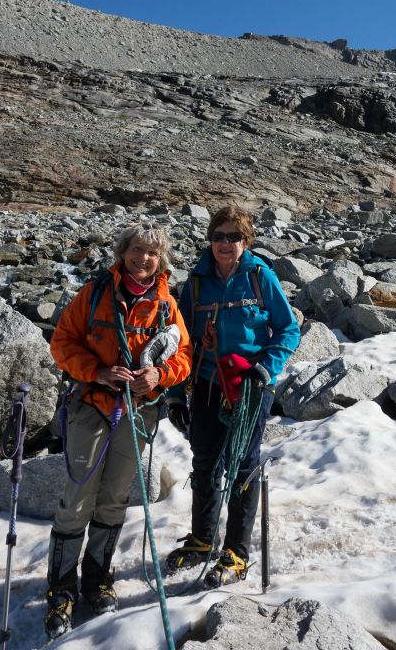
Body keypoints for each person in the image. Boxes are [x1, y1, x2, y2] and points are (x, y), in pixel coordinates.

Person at [44, 222, 192, 639]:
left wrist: (159, 375)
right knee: (77, 500)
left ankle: (97, 580)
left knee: (113, 501)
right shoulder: (93, 295)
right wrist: (98, 371)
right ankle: (60, 589)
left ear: (160, 259)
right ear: (122, 252)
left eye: (151, 253)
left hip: (137, 411)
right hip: (92, 406)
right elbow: (62, 343)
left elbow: (182, 354)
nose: (143, 259)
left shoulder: (166, 305)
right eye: (136, 250)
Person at [166, 205, 300, 588]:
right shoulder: (195, 283)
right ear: (210, 239)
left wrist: (265, 367)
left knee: (243, 464)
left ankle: (237, 551)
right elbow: (182, 343)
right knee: (205, 461)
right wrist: (176, 396)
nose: (225, 244)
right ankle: (202, 539)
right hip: (208, 383)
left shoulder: (260, 276)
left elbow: (287, 330)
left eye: (233, 237)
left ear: (246, 241)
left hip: (251, 385)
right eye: (219, 236)